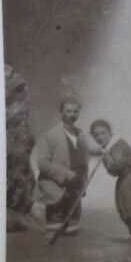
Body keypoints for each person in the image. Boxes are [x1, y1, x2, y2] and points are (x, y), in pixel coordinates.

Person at [89, 119, 131, 245]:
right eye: (96, 135)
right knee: (129, 211)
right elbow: (113, 170)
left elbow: (115, 167)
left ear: (110, 133)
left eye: (103, 133)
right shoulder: (109, 147)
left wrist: (105, 156)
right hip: (129, 180)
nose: (99, 137)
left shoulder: (117, 145)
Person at [36, 95, 90, 234]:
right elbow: (42, 163)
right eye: (68, 111)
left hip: (75, 194)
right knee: (54, 236)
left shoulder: (81, 135)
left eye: (75, 111)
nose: (72, 115)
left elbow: (85, 160)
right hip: (56, 193)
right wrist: (66, 174)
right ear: (61, 112)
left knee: (73, 236)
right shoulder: (50, 136)